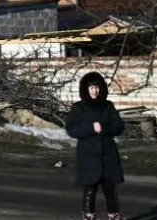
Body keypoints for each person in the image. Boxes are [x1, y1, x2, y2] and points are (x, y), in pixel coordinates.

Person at [66, 71, 126, 220]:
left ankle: (114, 217)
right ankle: (88, 217)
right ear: (86, 89)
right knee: (89, 192)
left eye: (97, 87)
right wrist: (91, 128)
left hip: (108, 155)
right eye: (91, 87)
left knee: (110, 191)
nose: (95, 91)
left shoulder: (107, 106)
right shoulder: (79, 108)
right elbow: (72, 130)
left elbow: (119, 126)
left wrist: (104, 128)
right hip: (88, 156)